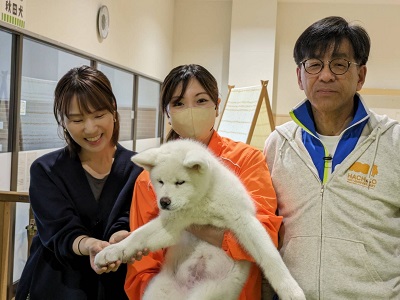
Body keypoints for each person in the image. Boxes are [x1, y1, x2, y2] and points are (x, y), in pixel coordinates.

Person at [264, 16, 400, 299]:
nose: (325, 75)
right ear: (300, 76)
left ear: (360, 75)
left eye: (339, 64)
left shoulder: (393, 142)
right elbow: (267, 234)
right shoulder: (278, 144)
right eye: (314, 64)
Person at [124, 64, 282, 299]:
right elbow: (142, 265)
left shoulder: (246, 160)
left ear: (217, 106)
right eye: (178, 103)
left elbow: (265, 236)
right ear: (167, 113)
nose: (190, 110)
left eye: (200, 100)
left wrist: (182, 220)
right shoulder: (150, 178)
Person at [16, 65, 143, 300]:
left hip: (115, 288)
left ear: (113, 110)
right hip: (58, 286)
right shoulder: (46, 170)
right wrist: (90, 245)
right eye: (77, 119)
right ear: (63, 121)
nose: (90, 128)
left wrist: (120, 238)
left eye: (98, 115)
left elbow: (127, 217)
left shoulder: (138, 169)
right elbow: (60, 229)